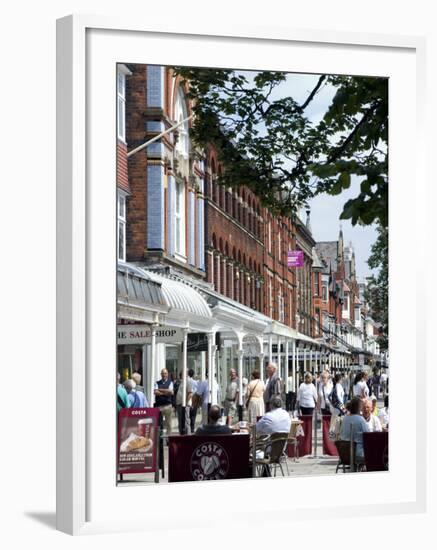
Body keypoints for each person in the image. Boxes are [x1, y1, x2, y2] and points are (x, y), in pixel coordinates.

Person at [154, 368, 174, 436]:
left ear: (167, 374)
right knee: (159, 424)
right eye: (162, 373)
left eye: (165, 373)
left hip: (168, 406)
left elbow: (171, 392)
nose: (164, 375)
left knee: (169, 423)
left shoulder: (170, 382)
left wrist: (160, 390)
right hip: (159, 406)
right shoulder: (157, 383)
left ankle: (169, 439)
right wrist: (166, 392)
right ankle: (160, 439)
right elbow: (156, 392)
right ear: (161, 374)